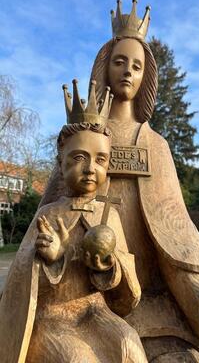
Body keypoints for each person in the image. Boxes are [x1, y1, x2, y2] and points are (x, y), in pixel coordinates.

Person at [40, 0, 199, 362]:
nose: (128, 72)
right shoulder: (81, 142)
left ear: (147, 75)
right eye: (119, 62)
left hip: (155, 312)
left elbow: (177, 242)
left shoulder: (156, 148)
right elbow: (47, 224)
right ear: (103, 67)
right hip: (79, 304)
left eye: (137, 65)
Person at [0, 83, 148, 363]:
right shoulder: (48, 215)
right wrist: (52, 259)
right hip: (54, 316)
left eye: (100, 159)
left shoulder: (109, 215)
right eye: (79, 157)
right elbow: (21, 282)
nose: (91, 168)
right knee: (74, 358)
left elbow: (127, 285)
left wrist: (106, 264)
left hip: (95, 311)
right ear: (61, 161)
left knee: (129, 346)